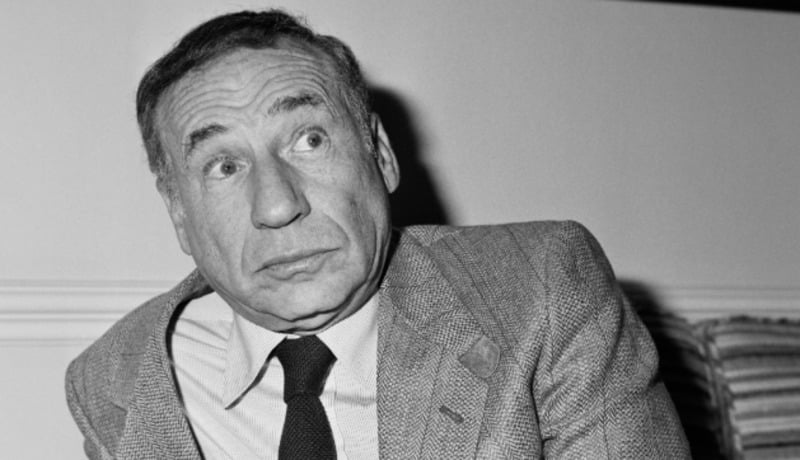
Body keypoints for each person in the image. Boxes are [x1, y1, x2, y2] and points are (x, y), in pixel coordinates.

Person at [65, 8, 689, 459]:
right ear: (178, 212)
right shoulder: (114, 382)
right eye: (224, 166)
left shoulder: (543, 290)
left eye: (309, 140)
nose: (278, 206)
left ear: (381, 155)